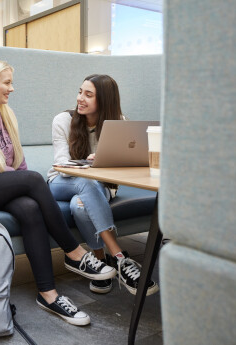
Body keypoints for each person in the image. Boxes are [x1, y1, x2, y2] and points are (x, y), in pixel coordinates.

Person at [0, 58, 116, 326]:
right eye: (7, 82)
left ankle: (48, 295)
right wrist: (17, 176)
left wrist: (17, 176)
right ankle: (74, 253)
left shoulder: (6, 115)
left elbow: (19, 165)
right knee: (34, 179)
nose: (11, 89)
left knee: (30, 208)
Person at [47, 74, 159, 296]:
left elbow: (125, 163)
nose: (80, 98)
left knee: (79, 206)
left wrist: (103, 162)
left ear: (105, 100)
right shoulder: (62, 120)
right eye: (80, 92)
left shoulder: (119, 123)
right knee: (85, 182)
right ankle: (120, 258)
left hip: (101, 185)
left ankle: (100, 263)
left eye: (88, 95)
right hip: (61, 182)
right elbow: (60, 163)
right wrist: (90, 165)